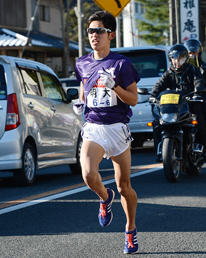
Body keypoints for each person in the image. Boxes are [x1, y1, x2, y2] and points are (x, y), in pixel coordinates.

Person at [74, 10, 140, 254]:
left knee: (124, 186)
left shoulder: (121, 63)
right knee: (89, 175)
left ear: (110, 35)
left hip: (117, 129)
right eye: (91, 31)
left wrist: (116, 87)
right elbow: (85, 86)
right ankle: (104, 197)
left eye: (99, 31)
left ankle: (130, 230)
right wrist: (80, 101)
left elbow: (132, 99)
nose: (94, 35)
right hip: (93, 127)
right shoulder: (82, 62)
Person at [151, 44, 206, 160]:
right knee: (156, 124)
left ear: (185, 58)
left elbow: (199, 83)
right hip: (173, 107)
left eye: (179, 58)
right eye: (173, 58)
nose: (176, 61)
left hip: (190, 105)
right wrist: (153, 96)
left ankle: (202, 150)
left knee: (201, 124)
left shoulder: (193, 70)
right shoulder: (168, 73)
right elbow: (158, 86)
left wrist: (197, 92)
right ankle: (160, 151)